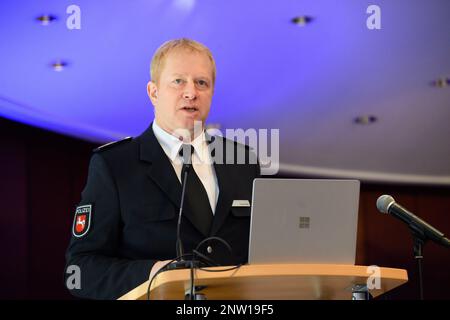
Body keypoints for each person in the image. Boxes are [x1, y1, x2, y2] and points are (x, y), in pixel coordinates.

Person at [64, 38, 260, 299]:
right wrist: (155, 273)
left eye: (202, 83)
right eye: (178, 81)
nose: (191, 92)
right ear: (153, 92)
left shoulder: (242, 161)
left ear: (212, 92)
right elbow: (79, 271)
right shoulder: (115, 165)